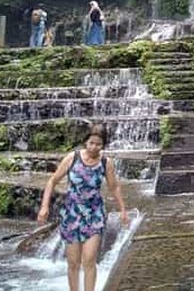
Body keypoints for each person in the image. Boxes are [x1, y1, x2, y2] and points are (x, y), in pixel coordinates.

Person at [37, 124, 129, 291]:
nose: (94, 147)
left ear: (103, 145)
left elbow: (114, 187)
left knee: (89, 260)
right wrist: (44, 206)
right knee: (73, 262)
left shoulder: (106, 163)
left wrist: (123, 210)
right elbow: (52, 181)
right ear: (86, 142)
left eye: (98, 144)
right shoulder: (72, 158)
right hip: (72, 213)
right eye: (91, 143)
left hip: (95, 214)